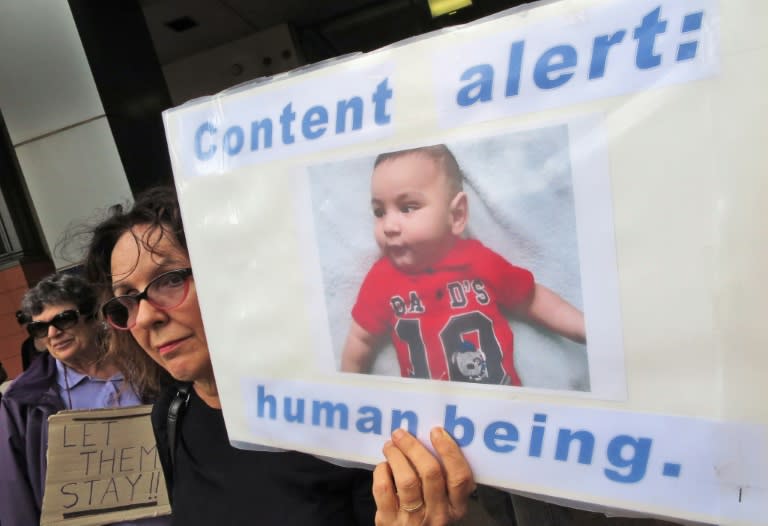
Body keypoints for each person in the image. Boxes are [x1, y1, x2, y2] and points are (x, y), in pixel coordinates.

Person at [83, 186, 476, 526]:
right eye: (127, 300)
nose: (147, 315)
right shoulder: (172, 414)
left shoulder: (340, 414)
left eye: (169, 279)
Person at [341, 144, 586, 384]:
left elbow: (533, 300)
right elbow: (360, 340)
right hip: (430, 418)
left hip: (501, 408)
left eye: (407, 207)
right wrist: (348, 393)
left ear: (457, 215)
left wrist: (586, 329)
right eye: (379, 211)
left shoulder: (480, 263)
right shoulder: (382, 280)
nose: (389, 226)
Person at [0, 273, 169, 526]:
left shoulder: (148, 365)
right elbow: (14, 490)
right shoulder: (23, 401)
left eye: (64, 319)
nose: (53, 333)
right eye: (40, 327)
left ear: (93, 317)